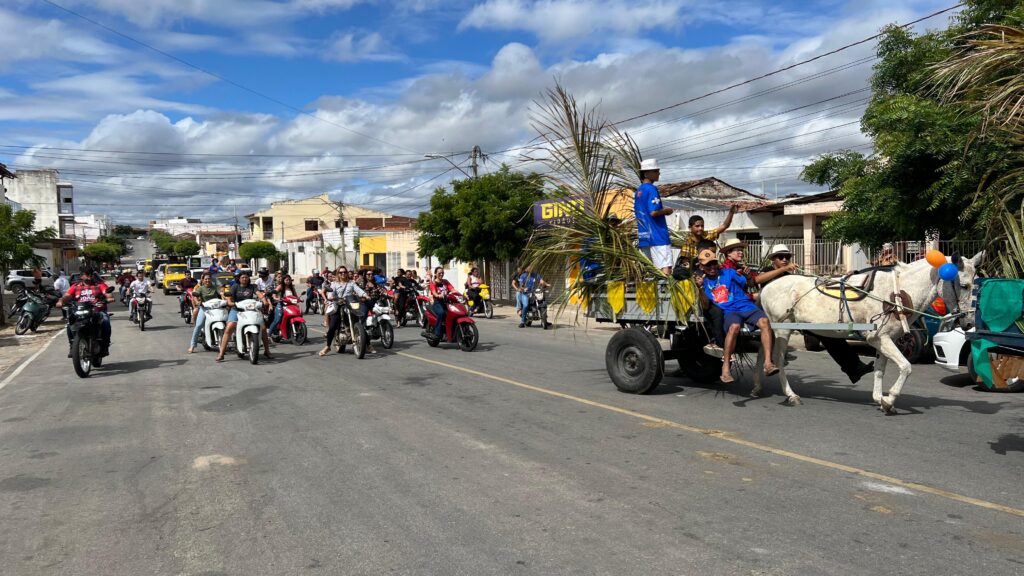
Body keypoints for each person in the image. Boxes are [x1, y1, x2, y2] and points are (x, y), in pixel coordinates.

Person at [756, 244, 875, 383]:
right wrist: (783, 269)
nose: (784, 259)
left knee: (830, 333)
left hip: (794, 314)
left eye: (787, 257)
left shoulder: (790, 276)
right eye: (780, 257)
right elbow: (759, 280)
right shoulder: (767, 270)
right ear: (773, 259)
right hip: (772, 314)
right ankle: (769, 363)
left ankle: (855, 368)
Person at [699, 250, 778, 383]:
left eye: (714, 264)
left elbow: (748, 283)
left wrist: (747, 276)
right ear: (702, 267)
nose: (712, 267)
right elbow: (706, 306)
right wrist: (700, 288)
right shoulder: (704, 283)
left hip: (746, 306)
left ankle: (768, 363)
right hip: (730, 311)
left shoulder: (728, 272)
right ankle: (725, 368)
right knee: (734, 327)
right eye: (708, 265)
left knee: (765, 322)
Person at [215, 270, 273, 362]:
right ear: (239, 279)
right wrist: (231, 303)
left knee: (263, 328)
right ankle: (221, 353)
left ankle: (267, 351)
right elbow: (229, 299)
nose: (245, 279)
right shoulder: (234, 287)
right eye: (242, 277)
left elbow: (259, 294)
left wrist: (264, 301)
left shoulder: (252, 287)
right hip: (236, 309)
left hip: (250, 309)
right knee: (229, 327)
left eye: (246, 277)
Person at [58, 267, 112, 357]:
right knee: (69, 324)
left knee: (105, 321)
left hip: (97, 311)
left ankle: (105, 346)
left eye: (90, 274)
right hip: (80, 311)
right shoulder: (75, 286)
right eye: (86, 275)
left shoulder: (99, 285)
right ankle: (72, 346)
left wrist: (109, 298)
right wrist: (61, 302)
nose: (89, 277)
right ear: (81, 276)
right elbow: (67, 296)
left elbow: (107, 293)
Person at [634, 159, 675, 275]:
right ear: (647, 173)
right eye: (656, 171)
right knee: (665, 268)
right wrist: (667, 211)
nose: (658, 174)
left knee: (651, 271)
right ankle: (666, 292)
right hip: (658, 235)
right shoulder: (651, 189)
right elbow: (654, 212)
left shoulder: (638, 191)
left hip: (644, 235)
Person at [320, 267, 368, 356]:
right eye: (341, 272)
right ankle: (328, 346)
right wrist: (331, 297)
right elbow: (331, 293)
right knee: (332, 327)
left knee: (360, 323)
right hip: (339, 305)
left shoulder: (351, 283)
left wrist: (365, 295)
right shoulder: (334, 284)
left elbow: (358, 290)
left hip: (350, 305)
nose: (343, 274)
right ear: (338, 273)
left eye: (345, 272)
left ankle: (368, 344)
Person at [187, 272, 220, 353]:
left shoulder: (215, 287)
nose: (207, 280)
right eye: (206, 279)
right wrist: (197, 302)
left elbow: (221, 295)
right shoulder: (200, 288)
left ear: (211, 279)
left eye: (209, 279)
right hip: (204, 309)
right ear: (203, 280)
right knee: (198, 326)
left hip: (215, 309)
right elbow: (195, 296)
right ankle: (192, 345)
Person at [424, 266, 455, 341]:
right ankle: (437, 334)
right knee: (441, 313)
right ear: (435, 274)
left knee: (453, 314)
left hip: (447, 302)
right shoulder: (433, 283)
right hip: (438, 303)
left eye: (442, 273)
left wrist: (460, 294)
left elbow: (453, 289)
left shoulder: (445, 282)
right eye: (439, 273)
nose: (441, 274)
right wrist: (438, 295)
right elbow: (434, 293)